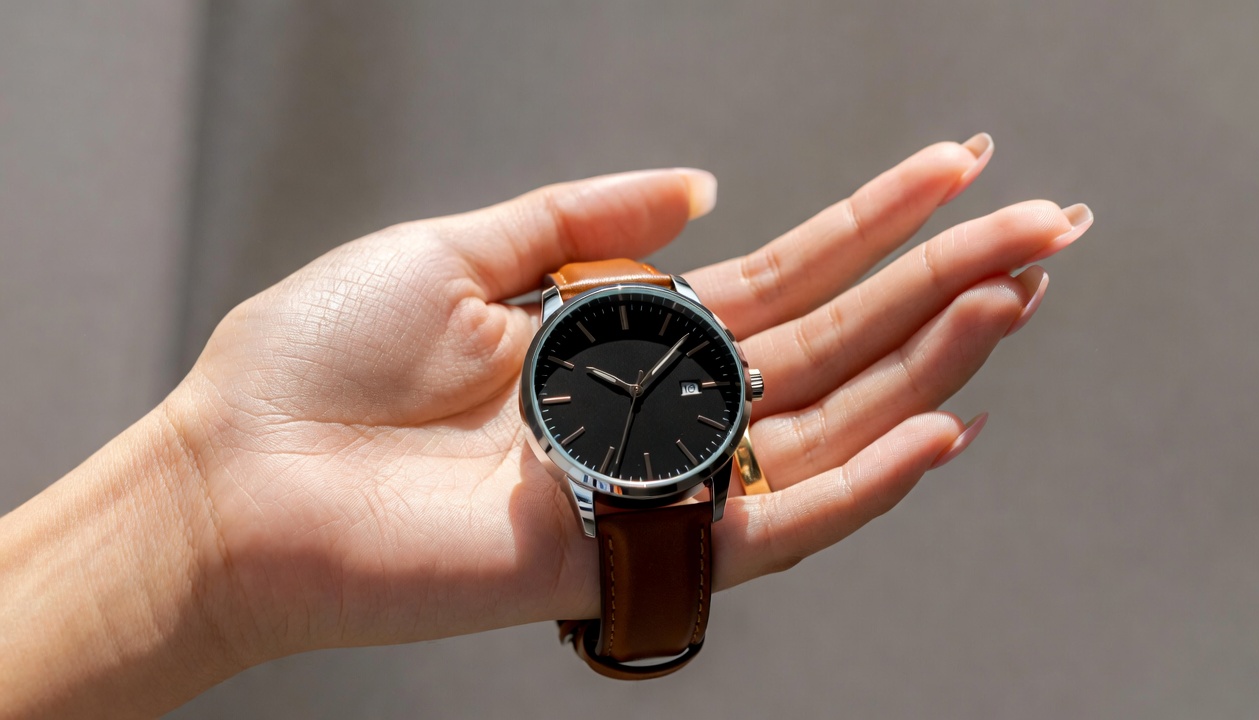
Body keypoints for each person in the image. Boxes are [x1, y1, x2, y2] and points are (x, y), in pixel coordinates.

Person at [0, 135, 1091, 717]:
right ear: (540, 413)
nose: (624, 386)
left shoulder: (695, 389)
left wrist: (196, 527)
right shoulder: (573, 414)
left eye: (705, 382)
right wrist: (197, 511)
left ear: (733, 392)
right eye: (584, 388)